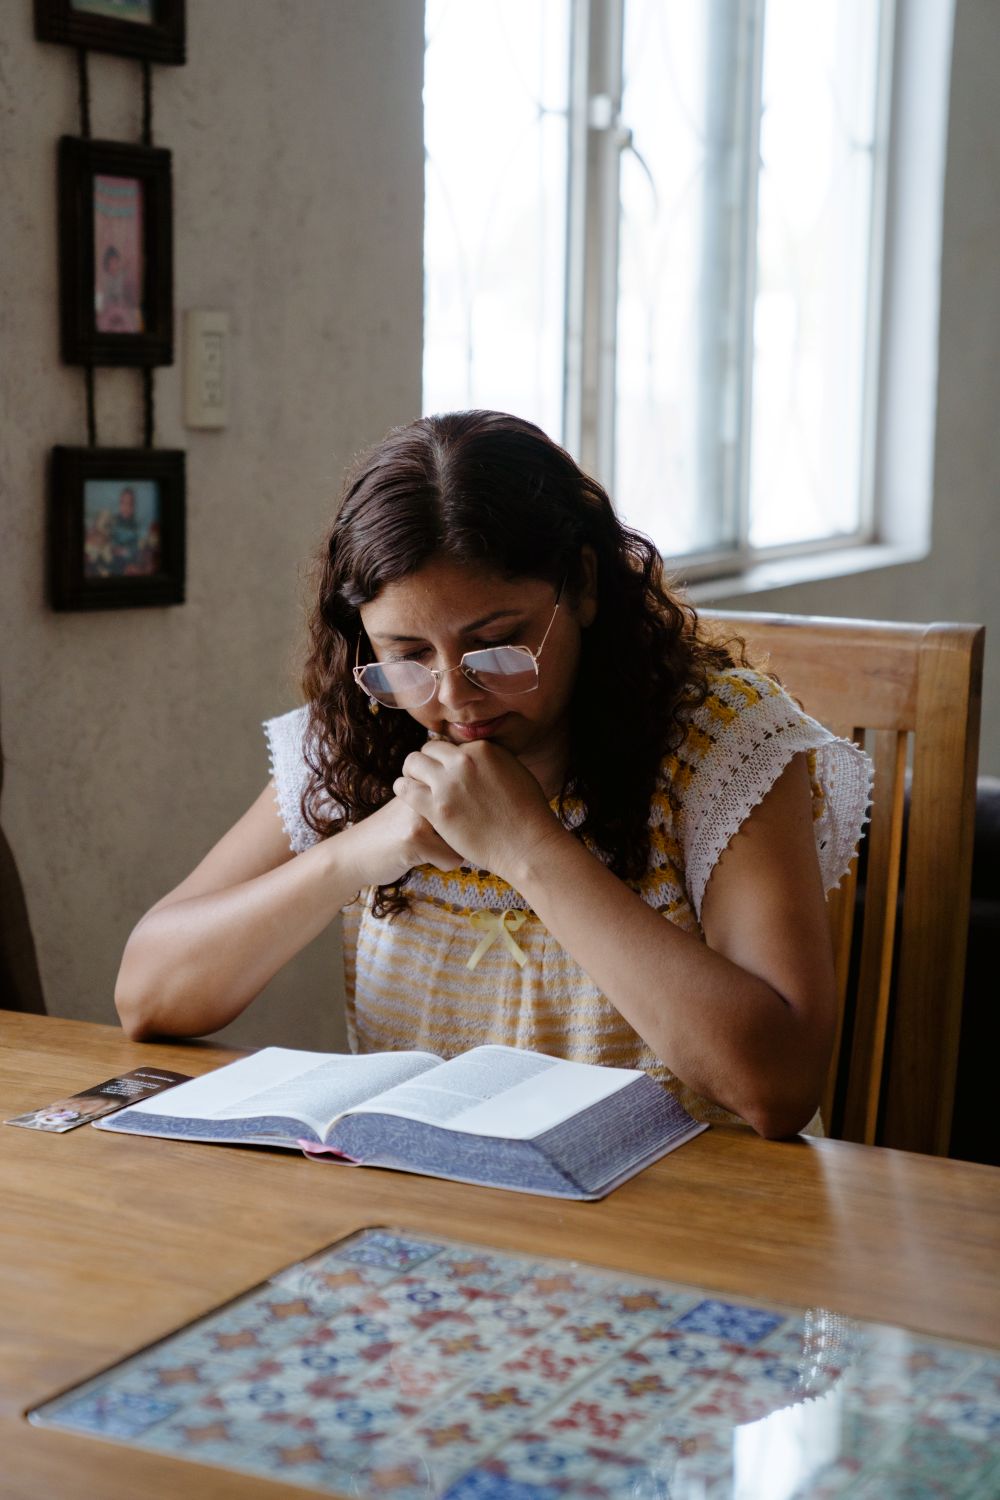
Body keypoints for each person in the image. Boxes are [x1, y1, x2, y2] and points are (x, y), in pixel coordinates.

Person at [115, 410, 870, 1137]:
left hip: (674, 1222)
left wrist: (527, 848)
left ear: (581, 585)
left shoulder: (721, 744)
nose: (451, 697)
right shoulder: (360, 737)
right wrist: (360, 850)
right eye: (407, 655)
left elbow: (779, 1087)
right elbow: (147, 996)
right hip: (433, 1215)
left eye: (497, 645)